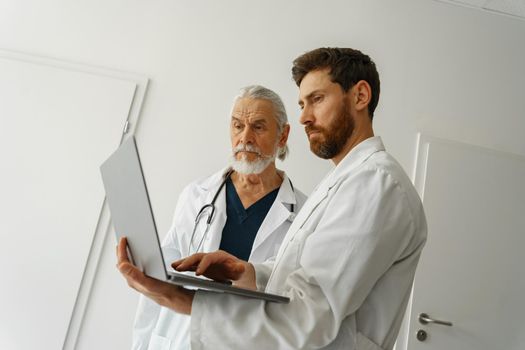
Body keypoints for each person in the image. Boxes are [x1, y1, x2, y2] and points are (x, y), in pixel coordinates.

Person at [118, 47, 427, 350]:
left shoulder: (375, 183)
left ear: (360, 96)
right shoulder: (344, 181)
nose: (305, 117)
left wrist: (180, 300)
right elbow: (300, 278)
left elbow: (310, 314)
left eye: (316, 100)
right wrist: (247, 272)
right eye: (302, 104)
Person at [130, 85, 307, 349]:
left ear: (283, 136)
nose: (245, 138)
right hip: (181, 338)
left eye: (258, 127)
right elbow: (160, 278)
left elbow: (298, 301)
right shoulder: (196, 195)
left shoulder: (304, 214)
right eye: (237, 126)